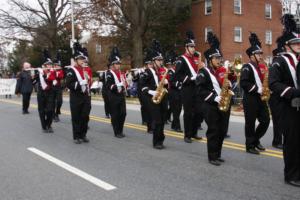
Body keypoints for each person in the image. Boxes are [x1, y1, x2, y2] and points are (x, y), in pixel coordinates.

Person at [269, 14, 300, 187]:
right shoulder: (279, 61)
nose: (298, 46)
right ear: (287, 46)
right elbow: (273, 84)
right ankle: (291, 175)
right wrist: (294, 92)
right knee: (292, 142)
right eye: (295, 44)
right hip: (287, 107)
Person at [195, 32, 228, 166]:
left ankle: (218, 154)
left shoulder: (220, 72)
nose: (219, 60)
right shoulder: (204, 72)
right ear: (209, 59)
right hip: (209, 105)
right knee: (213, 130)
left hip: (220, 103)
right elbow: (199, 90)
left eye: (219, 58)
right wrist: (214, 98)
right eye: (216, 58)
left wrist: (227, 86)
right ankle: (212, 156)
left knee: (221, 131)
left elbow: (221, 86)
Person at [240, 33, 270, 155]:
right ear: (252, 56)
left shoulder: (261, 67)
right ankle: (249, 145)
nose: (260, 56)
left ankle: (255, 139)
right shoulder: (247, 67)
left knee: (266, 120)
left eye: (260, 54)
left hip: (261, 98)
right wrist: (258, 89)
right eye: (258, 54)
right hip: (250, 98)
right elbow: (244, 83)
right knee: (250, 123)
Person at [175, 31, 203, 143]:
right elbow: (177, 75)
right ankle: (187, 135)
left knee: (199, 111)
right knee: (188, 112)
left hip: (197, 88)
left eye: (194, 46)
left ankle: (194, 132)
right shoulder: (181, 59)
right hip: (187, 88)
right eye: (191, 46)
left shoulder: (196, 58)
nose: (193, 48)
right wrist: (189, 78)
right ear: (186, 47)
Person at [140, 40, 168, 149]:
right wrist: (152, 91)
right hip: (153, 99)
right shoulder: (147, 72)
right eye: (159, 60)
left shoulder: (162, 71)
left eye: (161, 60)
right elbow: (142, 87)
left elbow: (164, 85)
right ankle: (156, 142)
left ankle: (161, 139)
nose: (161, 62)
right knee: (157, 121)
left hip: (162, 98)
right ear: (154, 61)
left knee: (162, 121)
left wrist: (165, 84)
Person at [65, 42, 91, 144]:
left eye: (83, 59)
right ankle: (77, 136)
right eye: (80, 59)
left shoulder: (85, 69)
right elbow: (69, 84)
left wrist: (88, 80)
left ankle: (83, 134)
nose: (82, 61)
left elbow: (88, 83)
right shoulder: (71, 71)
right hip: (76, 97)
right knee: (76, 117)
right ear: (76, 60)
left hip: (85, 96)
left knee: (85, 116)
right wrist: (80, 83)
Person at [32, 50, 56, 133]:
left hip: (50, 92)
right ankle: (44, 126)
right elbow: (34, 81)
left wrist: (45, 75)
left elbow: (52, 79)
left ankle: (49, 124)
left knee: (50, 110)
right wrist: (34, 77)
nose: (49, 66)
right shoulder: (39, 72)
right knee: (42, 110)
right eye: (48, 64)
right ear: (44, 65)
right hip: (41, 93)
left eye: (50, 64)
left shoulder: (53, 72)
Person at [105, 47, 127, 138]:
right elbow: (109, 85)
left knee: (123, 113)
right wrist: (117, 86)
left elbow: (123, 84)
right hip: (113, 96)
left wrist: (125, 85)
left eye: (119, 64)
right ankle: (116, 132)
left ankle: (120, 130)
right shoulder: (109, 73)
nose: (118, 65)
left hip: (121, 95)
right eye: (117, 64)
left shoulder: (120, 73)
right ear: (113, 64)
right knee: (115, 114)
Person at [269, 36, 285, 150]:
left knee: (282, 120)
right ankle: (277, 141)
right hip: (275, 97)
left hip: (280, 96)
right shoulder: (275, 64)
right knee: (277, 120)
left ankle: (279, 140)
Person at [166, 50, 183, 132]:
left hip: (179, 92)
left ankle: (173, 125)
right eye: (176, 63)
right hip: (173, 92)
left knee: (179, 109)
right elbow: (171, 82)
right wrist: (178, 84)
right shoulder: (170, 71)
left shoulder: (178, 71)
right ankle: (177, 126)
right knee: (176, 110)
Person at [53, 51, 64, 122]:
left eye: (58, 65)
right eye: (56, 65)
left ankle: (57, 113)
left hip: (58, 88)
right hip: (51, 88)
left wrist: (56, 73)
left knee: (60, 101)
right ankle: (54, 115)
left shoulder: (60, 71)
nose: (57, 67)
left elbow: (61, 76)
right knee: (52, 102)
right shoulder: (51, 70)